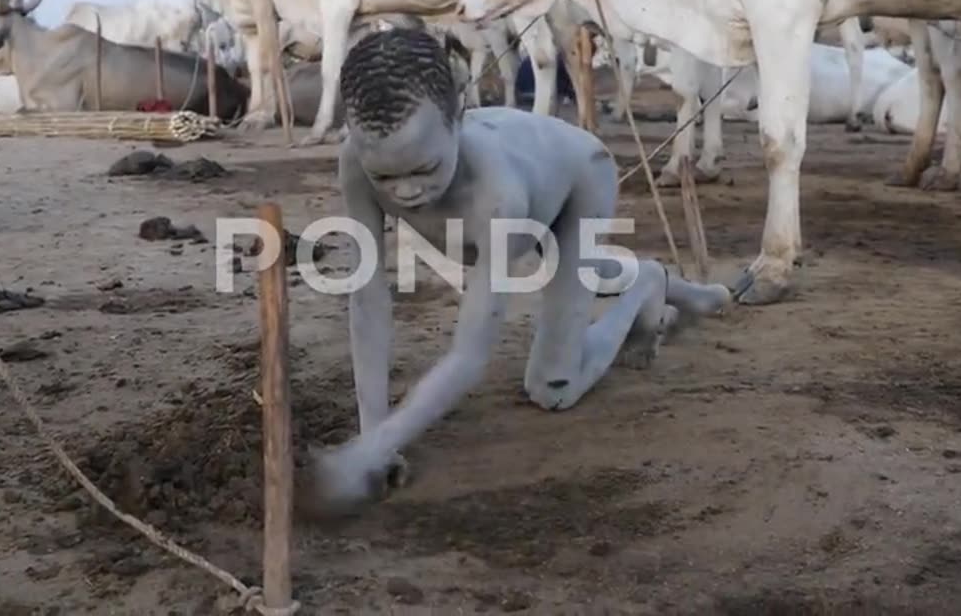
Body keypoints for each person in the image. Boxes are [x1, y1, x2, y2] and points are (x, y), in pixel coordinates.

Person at [301, 28, 731, 516]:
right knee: (566, 267)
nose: (404, 193)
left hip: (579, 181)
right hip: (505, 210)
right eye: (385, 177)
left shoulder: (497, 194)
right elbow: (368, 298)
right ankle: (689, 293)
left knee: (552, 386)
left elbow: (470, 354)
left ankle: (646, 286)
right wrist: (375, 436)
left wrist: (367, 453)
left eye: (424, 169)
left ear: (457, 119)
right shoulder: (355, 166)